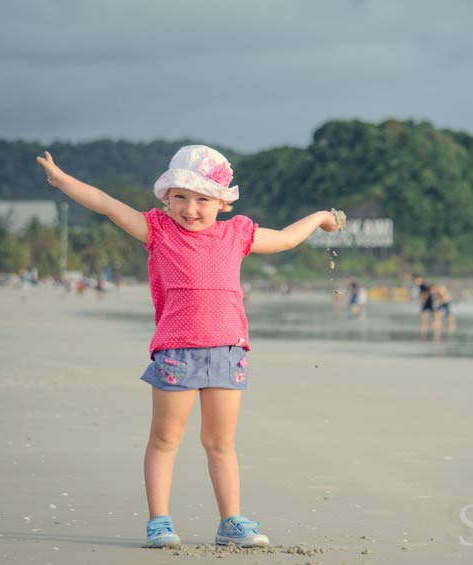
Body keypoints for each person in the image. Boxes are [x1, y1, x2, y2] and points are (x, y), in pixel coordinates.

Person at [36, 145, 341, 550]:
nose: (190, 208)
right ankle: (159, 521)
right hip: (176, 353)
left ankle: (231, 521)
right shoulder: (159, 231)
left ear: (222, 202)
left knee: (221, 443)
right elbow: (109, 205)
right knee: (165, 439)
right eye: (180, 196)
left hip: (228, 353)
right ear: (166, 198)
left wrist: (321, 217)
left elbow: (286, 239)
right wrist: (62, 181)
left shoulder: (238, 234)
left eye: (202, 199)